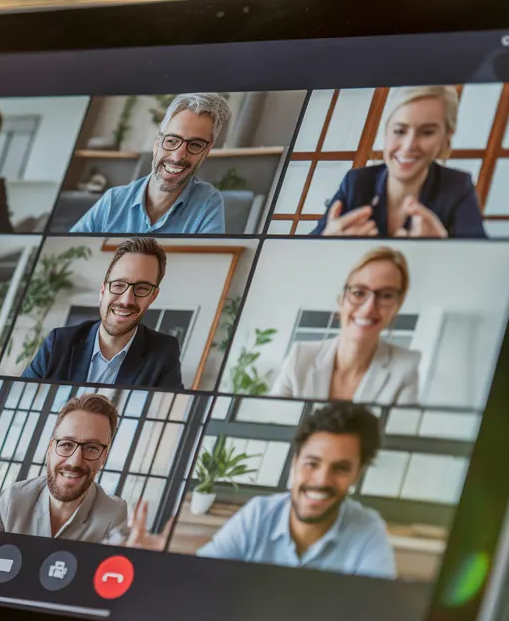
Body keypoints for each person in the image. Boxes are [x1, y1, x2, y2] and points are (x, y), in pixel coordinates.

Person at [125, 403, 397, 579]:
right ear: (294, 464)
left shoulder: (368, 530)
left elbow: (376, 615)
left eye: (340, 469)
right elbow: (204, 575)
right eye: (312, 464)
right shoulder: (259, 514)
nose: (321, 481)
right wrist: (161, 554)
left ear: (356, 475)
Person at [312, 86, 487, 239]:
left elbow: (482, 267)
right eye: (399, 131)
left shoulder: (458, 187)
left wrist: (442, 249)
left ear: (446, 137)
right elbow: (305, 256)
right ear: (386, 131)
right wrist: (327, 242)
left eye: (427, 132)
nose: (409, 145)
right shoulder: (356, 183)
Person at [22, 237, 183, 388]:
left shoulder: (164, 352)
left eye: (142, 289)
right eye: (119, 285)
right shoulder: (58, 343)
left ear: (152, 297)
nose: (126, 301)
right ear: (103, 290)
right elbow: (23, 393)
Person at [269, 246, 421, 404]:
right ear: (342, 299)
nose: (368, 309)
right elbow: (269, 422)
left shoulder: (406, 366)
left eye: (386, 296)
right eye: (358, 293)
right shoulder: (300, 357)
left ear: (397, 307)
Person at [69, 93, 230, 234]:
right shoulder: (113, 200)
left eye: (195, 145)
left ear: (206, 151)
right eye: (172, 141)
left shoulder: (209, 203)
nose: (178, 156)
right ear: (157, 142)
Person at [0, 393, 128, 542]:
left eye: (91, 448)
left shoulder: (115, 514)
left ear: (103, 457)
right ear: (50, 448)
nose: (75, 462)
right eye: (66, 444)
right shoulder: (13, 499)